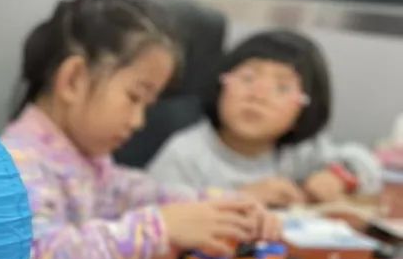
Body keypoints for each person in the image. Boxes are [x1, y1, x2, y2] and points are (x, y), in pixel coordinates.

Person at [2, 0, 276, 259]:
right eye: (134, 97)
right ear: (74, 80)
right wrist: (158, 229)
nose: (139, 121)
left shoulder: (87, 158)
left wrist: (221, 206)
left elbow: (136, 193)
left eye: (147, 105)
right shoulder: (17, 161)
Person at [149, 30, 382, 205]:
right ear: (221, 85)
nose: (258, 95)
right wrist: (240, 198)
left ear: (306, 107)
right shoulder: (185, 154)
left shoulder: (300, 152)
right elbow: (156, 218)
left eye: (281, 88)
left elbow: (365, 161)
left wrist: (339, 177)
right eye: (248, 78)